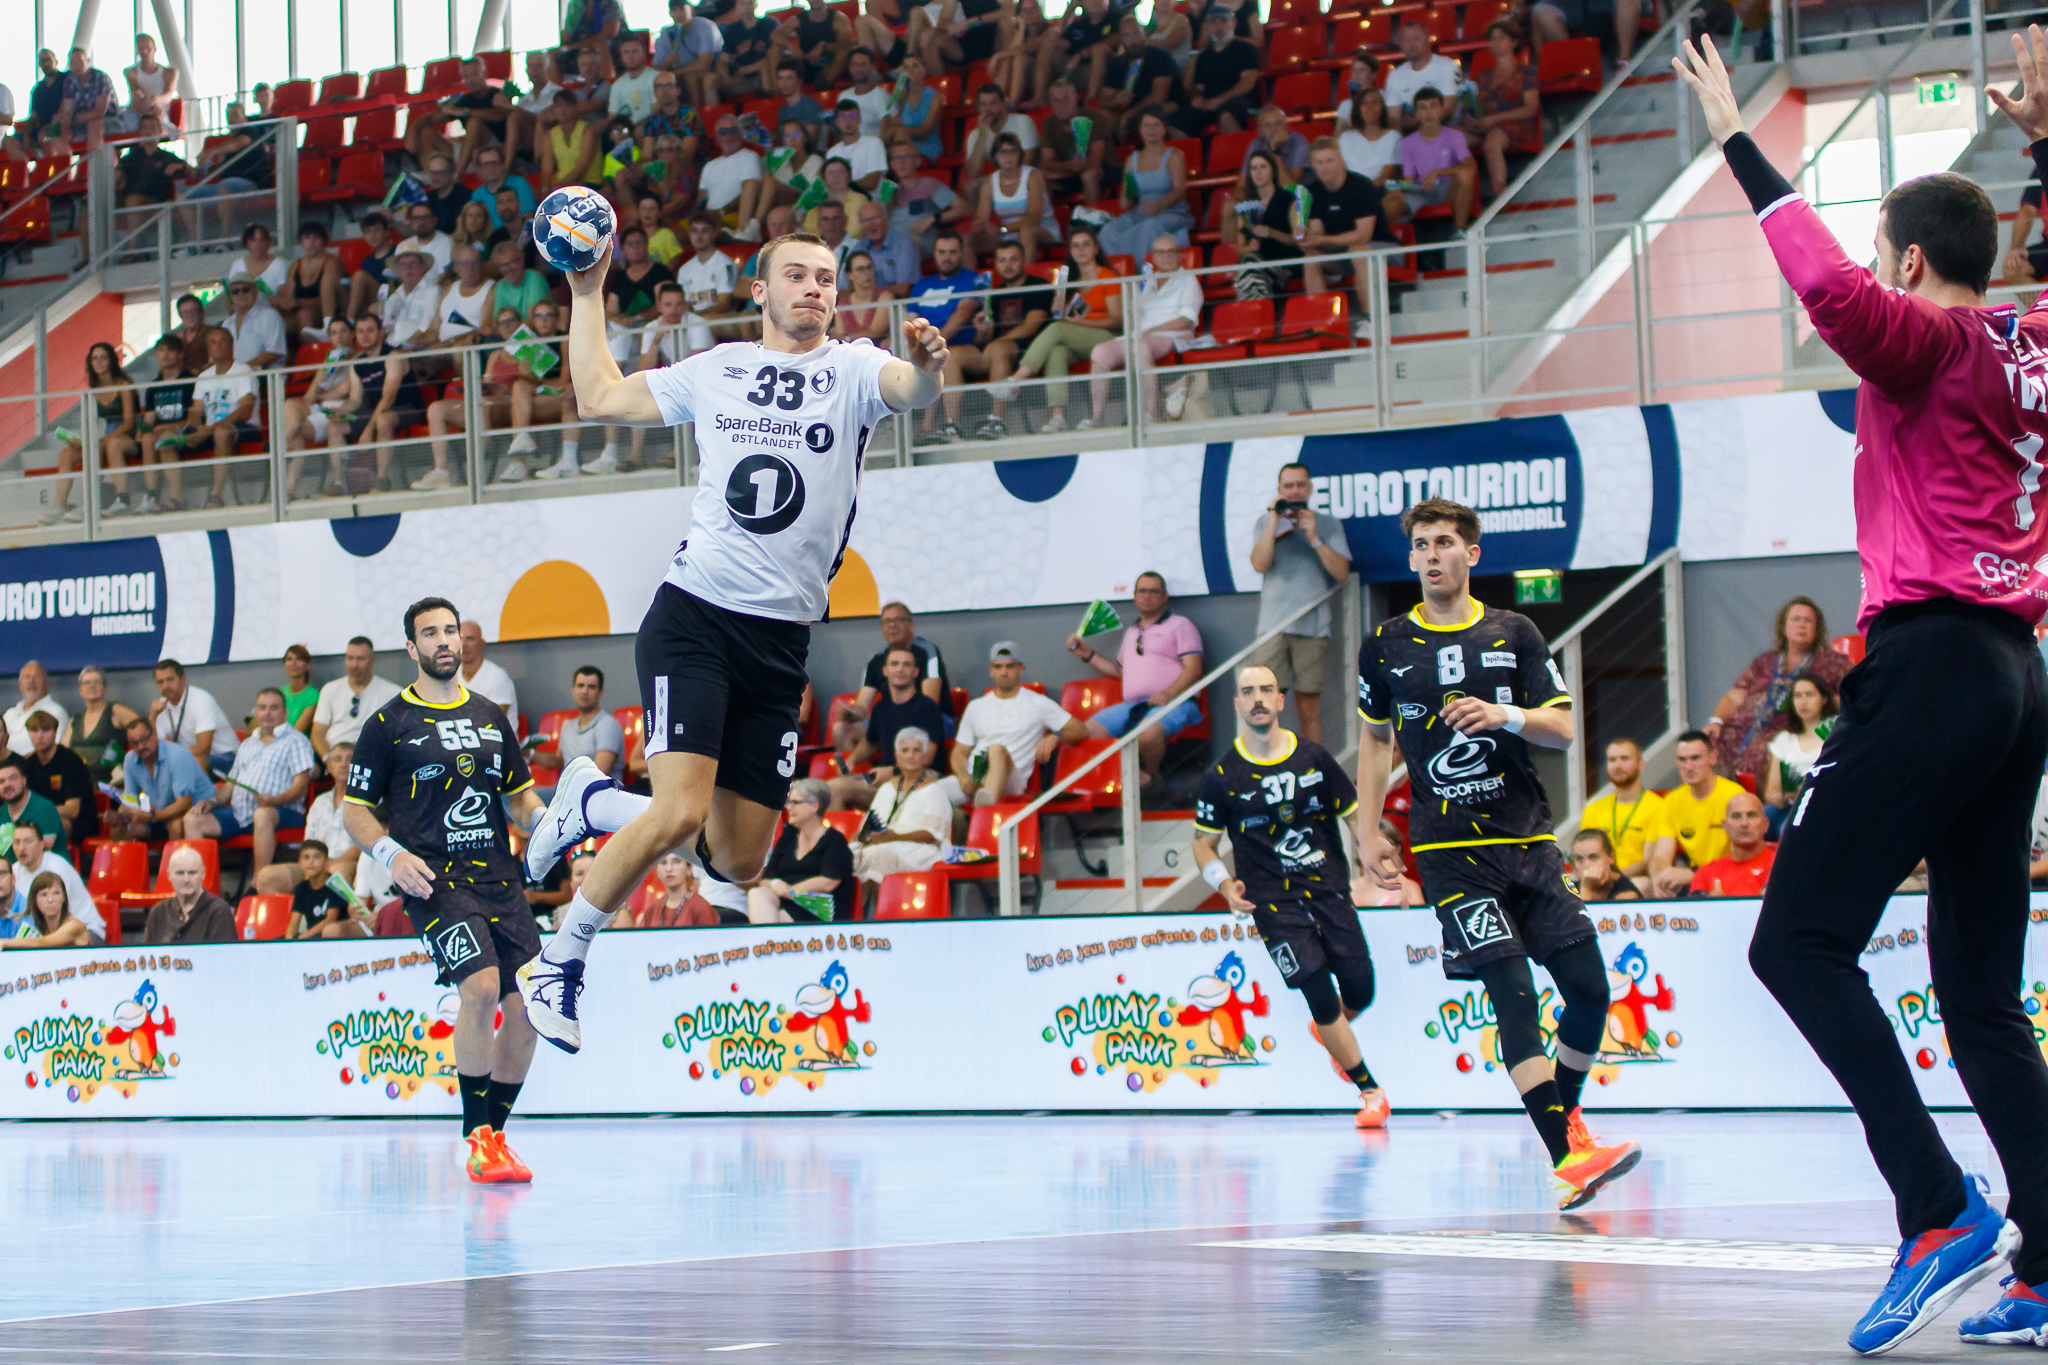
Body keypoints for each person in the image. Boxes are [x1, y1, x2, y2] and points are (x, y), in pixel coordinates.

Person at [1676, 39, 2048, 1350]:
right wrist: (2043, 140)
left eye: (1885, 254)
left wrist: (1738, 144)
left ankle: (1937, 1209)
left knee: (1796, 941)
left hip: (1933, 660)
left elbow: (1825, 289)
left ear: (1909, 260)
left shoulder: (1925, 341)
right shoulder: (2030, 338)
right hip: (2016, 677)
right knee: (1980, 994)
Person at [513, 224, 950, 1054]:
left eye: (826, 277)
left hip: (781, 646)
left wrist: (929, 366)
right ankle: (560, 959)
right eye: (797, 274)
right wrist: (585, 290)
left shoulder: (854, 369)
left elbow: (912, 389)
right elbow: (599, 394)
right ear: (760, 291)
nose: (814, 288)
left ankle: (591, 802)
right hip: (697, 617)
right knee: (680, 811)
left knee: (739, 861)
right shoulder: (716, 370)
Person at [1354, 496, 1642, 1208]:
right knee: (1512, 992)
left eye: (1444, 542)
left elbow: (1563, 730)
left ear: (1471, 554)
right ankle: (1568, 1154)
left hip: (1530, 840)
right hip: (1451, 851)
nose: (1431, 554)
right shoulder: (1385, 643)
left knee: (1590, 991)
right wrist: (1366, 831)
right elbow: (1373, 740)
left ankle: (1565, 1121)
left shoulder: (1515, 631)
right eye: (1421, 544)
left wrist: (1502, 714)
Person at [342, 597, 548, 1184]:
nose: (443, 641)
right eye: (429, 633)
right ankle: (475, 1135)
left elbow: (519, 797)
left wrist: (546, 821)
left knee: (529, 1005)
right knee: (480, 989)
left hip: (499, 877)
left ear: (462, 641)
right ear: (412, 648)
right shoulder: (387, 723)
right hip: (433, 879)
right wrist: (390, 853)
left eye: (450, 631)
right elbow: (355, 811)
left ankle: (494, 1137)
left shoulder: (489, 714)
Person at [1195, 664, 1388, 1127]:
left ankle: (1329, 1032)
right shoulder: (1221, 775)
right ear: (1237, 705)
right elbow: (1203, 844)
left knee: (1361, 988)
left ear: (1281, 700)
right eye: (1248, 692)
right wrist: (1225, 885)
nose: (1258, 698)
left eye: (1266, 689)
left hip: (1329, 891)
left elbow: (1353, 812)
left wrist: (1369, 852)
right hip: (1272, 905)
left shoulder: (1315, 758)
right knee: (1318, 993)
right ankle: (1370, 1091)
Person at [1064, 572, 1203, 787]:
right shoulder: (1132, 632)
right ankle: (1144, 781)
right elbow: (1119, 670)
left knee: (1147, 735)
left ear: (1165, 596)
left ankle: (1154, 776)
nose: (1147, 596)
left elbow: (1194, 669)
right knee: (1084, 732)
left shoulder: (1180, 624)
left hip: (1176, 702)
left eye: (1153, 591)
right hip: (1133, 705)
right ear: (1135, 595)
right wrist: (1088, 655)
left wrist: (1168, 694)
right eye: (1142, 591)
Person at [1248, 462, 1352, 746]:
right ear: (1279, 490)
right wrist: (1274, 519)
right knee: (1264, 706)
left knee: (1309, 708)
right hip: (1273, 627)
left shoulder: (1328, 523)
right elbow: (1259, 564)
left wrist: (1314, 537)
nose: (1294, 491)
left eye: (1300, 485)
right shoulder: (1264, 523)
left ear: (1310, 488)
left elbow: (1341, 572)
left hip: (1312, 626)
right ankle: (1268, 765)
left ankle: (1312, 768)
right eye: (1288, 486)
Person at [1703, 595, 1852, 775]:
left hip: (1794, 732)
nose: (1802, 625)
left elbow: (1855, 697)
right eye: (1796, 619)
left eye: (1808, 620)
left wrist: (1823, 702)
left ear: (1817, 629)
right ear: (1784, 627)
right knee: (1708, 743)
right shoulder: (1764, 662)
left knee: (1762, 750)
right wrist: (1716, 721)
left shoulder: (1833, 663)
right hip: (1745, 728)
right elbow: (1735, 696)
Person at [1000, 225, 1118, 433]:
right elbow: (1065, 317)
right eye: (1075, 246)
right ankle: (1058, 417)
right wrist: (1058, 307)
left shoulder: (1108, 276)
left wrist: (1081, 323)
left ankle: (1016, 379)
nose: (1081, 250)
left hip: (1106, 338)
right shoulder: (1069, 280)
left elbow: (1117, 320)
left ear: (1096, 248)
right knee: (1056, 350)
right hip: (1077, 338)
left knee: (1057, 329)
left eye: (1086, 245)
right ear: (1070, 251)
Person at [186, 687, 315, 876]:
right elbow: (230, 785)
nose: (267, 712)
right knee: (192, 819)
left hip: (282, 811)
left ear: (285, 713)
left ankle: (258, 881)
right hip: (241, 813)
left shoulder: (297, 741)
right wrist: (211, 801)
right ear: (257, 712)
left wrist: (275, 800)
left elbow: (300, 787)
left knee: (262, 815)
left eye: (274, 708)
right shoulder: (247, 744)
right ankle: (202, 885)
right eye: (262, 708)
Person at [945, 642, 1086, 807]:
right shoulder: (976, 706)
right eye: (998, 667)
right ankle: (975, 808)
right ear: (991, 670)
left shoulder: (1038, 703)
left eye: (1009, 666)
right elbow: (959, 752)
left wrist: (1055, 737)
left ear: (1021, 669)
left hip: (1012, 781)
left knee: (996, 750)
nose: (1004, 672)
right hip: (974, 780)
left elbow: (1081, 729)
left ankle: (985, 811)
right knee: (929, 793)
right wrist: (963, 777)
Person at [935, 237, 1048, 439]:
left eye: (1013, 259)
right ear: (995, 264)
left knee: (997, 349)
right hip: (992, 352)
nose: (1008, 265)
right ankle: (952, 425)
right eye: (1002, 260)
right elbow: (983, 340)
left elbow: (1031, 327)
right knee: (951, 355)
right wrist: (982, 330)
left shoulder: (1038, 286)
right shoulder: (992, 294)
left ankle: (997, 422)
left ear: (1024, 260)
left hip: (1025, 352)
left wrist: (994, 342)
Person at [1084, 235, 1199, 427]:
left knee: (1140, 346)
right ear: (1153, 256)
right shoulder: (1149, 280)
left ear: (1180, 255)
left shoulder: (1188, 279)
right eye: (1160, 252)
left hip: (1170, 335)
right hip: (1140, 335)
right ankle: (1097, 418)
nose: (1166, 256)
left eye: (1171, 251)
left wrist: (1153, 330)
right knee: (1100, 351)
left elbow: (1186, 321)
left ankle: (1149, 414)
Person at [827, 644, 947, 810]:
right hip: (888, 780)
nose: (900, 669)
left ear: (915, 672)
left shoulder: (927, 708)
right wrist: (852, 760)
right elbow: (871, 743)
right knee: (832, 788)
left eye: (906, 665)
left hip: (921, 777)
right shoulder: (880, 708)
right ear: (885, 671)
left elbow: (927, 758)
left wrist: (892, 771)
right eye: (895, 664)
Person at [1301, 137, 1389, 339]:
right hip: (1342, 253)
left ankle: (1371, 320)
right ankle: (1321, 323)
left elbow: (1363, 236)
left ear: (1341, 160)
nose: (1325, 167)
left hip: (1380, 249)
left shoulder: (1362, 186)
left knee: (1358, 250)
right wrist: (1309, 238)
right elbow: (1317, 232)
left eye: (1329, 160)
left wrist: (1322, 240)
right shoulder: (1312, 192)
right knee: (1311, 257)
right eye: (1319, 162)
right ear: (1313, 165)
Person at [43, 340, 138, 524]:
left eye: (103, 358)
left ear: (112, 360)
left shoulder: (124, 385)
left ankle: (89, 504)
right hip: (107, 439)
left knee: (101, 445)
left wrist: (101, 441)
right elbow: (91, 425)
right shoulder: (94, 390)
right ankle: (59, 506)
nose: (99, 362)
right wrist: (78, 440)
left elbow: (128, 423)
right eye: (95, 358)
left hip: (128, 438)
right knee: (67, 453)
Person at [1645, 730, 1745, 899]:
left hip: (1731, 878)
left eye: (1695, 758)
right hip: (1697, 881)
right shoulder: (1672, 801)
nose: (1689, 767)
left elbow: (1741, 859)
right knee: (1650, 886)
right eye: (1682, 760)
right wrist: (1659, 877)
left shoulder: (1735, 797)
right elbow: (1661, 855)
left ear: (1712, 758)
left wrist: (1692, 874)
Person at [851, 726, 949, 897]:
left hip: (920, 848)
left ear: (925, 757)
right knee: (847, 853)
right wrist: (863, 836)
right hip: (887, 843)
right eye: (905, 750)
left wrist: (893, 836)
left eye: (916, 750)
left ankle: (883, 911)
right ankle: (856, 912)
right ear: (897, 757)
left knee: (878, 855)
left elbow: (932, 835)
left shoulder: (934, 791)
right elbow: (869, 825)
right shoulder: (886, 789)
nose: (910, 755)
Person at [748, 778, 857, 922]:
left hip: (820, 910)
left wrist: (790, 890)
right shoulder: (787, 839)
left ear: (814, 806)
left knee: (778, 919)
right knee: (757, 893)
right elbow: (765, 880)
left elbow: (829, 882)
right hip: (786, 904)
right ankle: (769, 936)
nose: (788, 807)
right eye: (788, 802)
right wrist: (775, 884)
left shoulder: (835, 841)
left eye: (795, 802)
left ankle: (768, 936)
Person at [182, 324, 259, 511]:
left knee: (222, 432)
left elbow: (245, 412)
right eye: (213, 342)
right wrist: (193, 429)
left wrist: (209, 429)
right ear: (208, 349)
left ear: (232, 346)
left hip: (245, 427)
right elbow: (196, 411)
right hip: (211, 430)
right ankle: (174, 498)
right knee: (168, 440)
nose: (218, 346)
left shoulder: (244, 370)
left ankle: (216, 494)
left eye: (222, 341)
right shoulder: (204, 376)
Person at [108, 715, 214, 843]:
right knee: (120, 828)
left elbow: (184, 805)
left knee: (176, 825)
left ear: (154, 735)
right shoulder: (130, 759)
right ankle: (128, 857)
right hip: (160, 814)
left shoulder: (178, 755)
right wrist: (120, 815)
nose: (140, 746)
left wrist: (151, 816)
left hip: (197, 811)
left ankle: (176, 857)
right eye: (134, 743)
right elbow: (130, 799)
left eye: (144, 739)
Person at [964, 132, 1057, 268]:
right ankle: (972, 281)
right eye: (1003, 152)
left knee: (1026, 232)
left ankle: (1026, 279)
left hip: (1042, 229)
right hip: (1007, 234)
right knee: (966, 239)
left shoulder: (1032, 176)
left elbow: (1034, 219)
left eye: (1012, 152)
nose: (1008, 156)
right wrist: (982, 224)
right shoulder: (990, 181)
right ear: (995, 156)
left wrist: (1003, 229)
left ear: (1019, 154)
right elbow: (980, 217)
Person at [1762, 671, 1838, 836]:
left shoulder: (1834, 737)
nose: (1803, 702)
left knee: (1788, 830)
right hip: (1789, 806)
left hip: (1821, 807)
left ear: (1824, 699)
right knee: (1758, 820)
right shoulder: (1783, 739)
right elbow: (1771, 791)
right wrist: (1780, 797)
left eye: (1809, 695)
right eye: (1797, 696)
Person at [1577, 737, 1665, 879]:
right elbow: (1582, 856)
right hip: (1598, 880)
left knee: (1641, 883)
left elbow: (1648, 862)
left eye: (1624, 758)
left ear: (1641, 764)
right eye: (1612, 760)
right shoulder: (1593, 809)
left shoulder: (1659, 807)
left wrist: (1612, 878)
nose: (1617, 765)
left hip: (1637, 881)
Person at [1470, 24, 1540, 199]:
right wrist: (1472, 120)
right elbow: (1474, 106)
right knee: (1453, 137)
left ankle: (1500, 195)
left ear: (1514, 42)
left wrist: (1494, 119)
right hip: (1486, 125)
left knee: (1491, 142)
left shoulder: (1526, 72)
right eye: (1492, 38)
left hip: (1514, 124)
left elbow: (1530, 109)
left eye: (1501, 37)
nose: (1496, 42)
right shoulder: (1483, 76)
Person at [1228, 148, 1304, 301]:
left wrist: (1272, 233)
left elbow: (1297, 241)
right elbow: (1240, 248)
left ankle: (1253, 310)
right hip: (1255, 263)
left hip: (1283, 263)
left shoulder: (1288, 200)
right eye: (1254, 168)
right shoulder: (1246, 206)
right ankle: (1259, 309)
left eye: (1263, 167)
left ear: (1272, 171)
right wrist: (1250, 248)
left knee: (1248, 274)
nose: (1258, 172)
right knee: (1251, 272)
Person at [311, 637, 403, 759]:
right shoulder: (330, 689)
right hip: (335, 755)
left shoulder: (392, 693)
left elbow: (401, 734)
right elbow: (317, 733)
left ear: (372, 660)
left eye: (360, 659)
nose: (354, 664)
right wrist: (328, 759)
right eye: (350, 658)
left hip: (373, 757)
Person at [1399, 87, 1477, 231]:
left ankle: (1459, 232)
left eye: (1433, 106)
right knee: (1391, 200)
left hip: (1447, 189)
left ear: (1441, 110)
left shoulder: (1455, 135)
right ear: (1416, 114)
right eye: (1423, 108)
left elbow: (1469, 165)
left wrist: (1437, 172)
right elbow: (1408, 178)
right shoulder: (1407, 143)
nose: (1428, 112)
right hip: (1421, 190)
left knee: (1465, 174)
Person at [9, 821, 99, 941]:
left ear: (41, 844)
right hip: (43, 931)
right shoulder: (14, 870)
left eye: (27, 841)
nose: (21, 848)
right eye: (17, 842)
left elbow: (56, 914)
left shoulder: (57, 867)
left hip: (85, 931)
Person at [149, 658, 237, 775]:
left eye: (170, 679)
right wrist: (153, 716)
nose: (165, 686)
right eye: (160, 682)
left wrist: (172, 759)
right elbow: (154, 749)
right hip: (189, 758)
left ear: (183, 679)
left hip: (225, 757)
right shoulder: (160, 707)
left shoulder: (201, 700)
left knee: (193, 763)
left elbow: (203, 748)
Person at [1182, 8, 1260, 136]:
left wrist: (1220, 100)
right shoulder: (1204, 56)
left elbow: (1248, 83)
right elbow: (1199, 87)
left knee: (1227, 115)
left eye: (1223, 21)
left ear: (1234, 23)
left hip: (1239, 102)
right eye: (1214, 22)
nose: (1219, 27)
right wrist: (1197, 98)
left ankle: (1235, 148)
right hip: (1209, 104)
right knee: (1177, 121)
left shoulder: (1246, 49)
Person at [958, 83, 1039, 206]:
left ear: (1003, 104)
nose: (988, 109)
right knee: (969, 189)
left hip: (1026, 177)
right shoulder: (975, 135)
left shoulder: (1022, 122)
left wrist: (1001, 181)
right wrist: (982, 135)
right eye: (983, 104)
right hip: (1000, 178)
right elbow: (972, 173)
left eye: (993, 103)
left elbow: (1026, 163)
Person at [19, 712, 95, 844]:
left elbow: (73, 810)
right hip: (39, 819)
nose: (40, 736)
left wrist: (38, 812)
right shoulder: (28, 765)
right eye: (34, 731)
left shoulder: (71, 761)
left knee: (54, 824)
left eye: (46, 730)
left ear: (55, 732)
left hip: (79, 823)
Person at [538, 667, 625, 781]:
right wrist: (528, 753)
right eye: (580, 686)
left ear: (600, 693)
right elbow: (558, 761)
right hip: (569, 789)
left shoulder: (608, 725)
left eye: (591, 687)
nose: (584, 691)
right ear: (573, 690)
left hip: (598, 789)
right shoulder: (567, 727)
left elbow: (600, 773)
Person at [141, 844, 238, 944]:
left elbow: (223, 953)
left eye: (192, 873)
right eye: (180, 873)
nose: (186, 880)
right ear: (169, 875)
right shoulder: (158, 912)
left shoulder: (219, 911)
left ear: (203, 874)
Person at [1686, 791, 1775, 897]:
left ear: (1765, 824)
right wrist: (1713, 904)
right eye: (1736, 816)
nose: (1744, 823)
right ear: (1725, 826)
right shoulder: (1705, 874)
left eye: (1751, 816)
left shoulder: (1780, 866)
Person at [1382, 18, 1466, 129]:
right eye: (1406, 40)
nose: (1412, 44)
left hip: (1446, 130)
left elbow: (1448, 110)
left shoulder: (1448, 66)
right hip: (1411, 134)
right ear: (1400, 44)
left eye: (1417, 38)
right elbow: (1393, 118)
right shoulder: (1394, 76)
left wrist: (1415, 120)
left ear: (1427, 39)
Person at [65, 665, 138, 785]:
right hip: (78, 782)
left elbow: (143, 731)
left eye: (96, 682)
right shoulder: (75, 719)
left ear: (104, 687)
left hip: (109, 783)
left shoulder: (115, 710)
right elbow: (61, 751)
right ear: (80, 690)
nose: (91, 686)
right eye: (87, 683)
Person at [1036, 78, 1104, 202]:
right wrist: (1068, 166)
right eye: (1056, 100)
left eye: (1065, 99)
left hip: (1099, 173)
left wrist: (1068, 168)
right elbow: (1046, 161)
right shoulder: (1050, 122)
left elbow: (1096, 161)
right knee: (1040, 176)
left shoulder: (1094, 117)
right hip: (1069, 172)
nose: (1061, 104)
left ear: (1076, 98)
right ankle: (1047, 215)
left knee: (1089, 175)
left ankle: (1092, 213)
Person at [287, 841, 365, 940]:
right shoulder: (301, 888)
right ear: (300, 863)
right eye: (306, 857)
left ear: (327, 862)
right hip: (311, 935)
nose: (310, 862)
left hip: (333, 935)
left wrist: (304, 937)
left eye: (316, 857)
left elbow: (330, 919)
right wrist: (289, 939)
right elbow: (294, 921)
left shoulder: (334, 885)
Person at [6, 870, 93, 949]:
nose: (50, 900)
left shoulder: (74, 926)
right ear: (35, 900)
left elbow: (44, 943)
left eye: (56, 893)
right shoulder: (35, 925)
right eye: (44, 895)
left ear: (63, 898)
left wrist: (4, 942)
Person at [54, 47, 118, 151]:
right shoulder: (69, 81)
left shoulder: (100, 77)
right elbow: (68, 108)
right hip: (81, 122)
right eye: (73, 62)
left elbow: (100, 112)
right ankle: (65, 159)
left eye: (80, 61)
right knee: (58, 131)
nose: (77, 65)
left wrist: (73, 118)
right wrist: (62, 118)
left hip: (108, 120)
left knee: (93, 124)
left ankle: (94, 160)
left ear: (88, 61)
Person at [0, 758, 66, 857]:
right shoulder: (2, 812)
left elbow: (41, 851)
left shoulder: (44, 808)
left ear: (24, 780)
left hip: (46, 866)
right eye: (1, 781)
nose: (7, 784)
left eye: (12, 778)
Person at [6, 662, 70, 757]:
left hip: (34, 765)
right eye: (27, 677)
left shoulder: (56, 712)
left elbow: (55, 750)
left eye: (37, 677)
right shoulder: (9, 714)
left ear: (46, 684)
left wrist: (20, 761)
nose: (31, 681)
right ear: (20, 684)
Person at [639, 851, 719, 926]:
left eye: (676, 862)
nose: (669, 868)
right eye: (663, 862)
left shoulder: (701, 908)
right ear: (656, 870)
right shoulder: (651, 910)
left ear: (689, 869)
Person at [459, 622, 520, 718]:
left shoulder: (497, 676)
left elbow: (493, 721)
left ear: (481, 644)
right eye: (460, 639)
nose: (464, 644)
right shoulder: (450, 676)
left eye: (470, 639)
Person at [833, 250, 893, 346]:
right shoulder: (843, 304)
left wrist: (846, 338)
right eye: (860, 269)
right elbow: (839, 338)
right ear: (849, 275)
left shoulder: (885, 296)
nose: (867, 272)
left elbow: (876, 332)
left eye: (869, 267)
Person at [1568, 829, 1640, 902]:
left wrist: (1586, 887)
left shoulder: (1626, 894)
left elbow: (1582, 909)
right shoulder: (1568, 890)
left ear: (1611, 857)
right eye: (1579, 859)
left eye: (1593, 857)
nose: (1586, 865)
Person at [1249, 104, 1310, 174]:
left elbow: (1290, 181)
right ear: (1260, 130)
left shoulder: (1299, 143)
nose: (1273, 129)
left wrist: (1276, 150)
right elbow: (1243, 179)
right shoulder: (1255, 144)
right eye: (1267, 125)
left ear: (1286, 125)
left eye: (1278, 123)